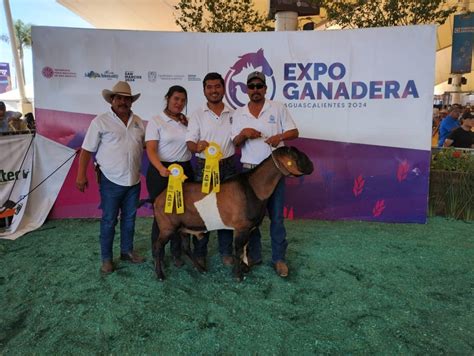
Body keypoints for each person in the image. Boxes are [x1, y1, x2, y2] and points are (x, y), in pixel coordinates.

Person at [231, 71, 299, 278]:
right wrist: (244, 134)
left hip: (274, 172)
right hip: (249, 172)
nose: (255, 90)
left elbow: (294, 132)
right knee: (252, 218)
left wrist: (279, 136)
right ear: (246, 90)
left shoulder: (277, 108)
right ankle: (255, 255)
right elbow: (234, 142)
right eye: (251, 86)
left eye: (259, 86)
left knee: (277, 217)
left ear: (265, 89)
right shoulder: (239, 113)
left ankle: (279, 259)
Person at [76, 81, 145, 274]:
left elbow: (147, 145)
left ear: (132, 101)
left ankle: (126, 251)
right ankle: (106, 259)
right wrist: (81, 175)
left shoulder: (138, 121)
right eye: (119, 98)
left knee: (130, 219)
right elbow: (86, 150)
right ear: (112, 100)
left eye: (127, 99)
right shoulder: (100, 121)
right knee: (108, 220)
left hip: (134, 180)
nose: (123, 101)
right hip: (110, 180)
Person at [186, 72, 236, 267]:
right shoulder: (198, 114)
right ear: (204, 90)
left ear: (223, 88)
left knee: (228, 210)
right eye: (209, 87)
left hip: (229, 166)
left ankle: (226, 252)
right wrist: (196, 146)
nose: (214, 90)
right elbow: (190, 142)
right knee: (203, 211)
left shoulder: (234, 113)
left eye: (217, 86)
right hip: (204, 166)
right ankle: (200, 253)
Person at [145, 85, 194, 267]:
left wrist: (189, 125)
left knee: (181, 213)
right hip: (162, 171)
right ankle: (157, 253)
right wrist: (160, 168)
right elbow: (150, 149)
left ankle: (176, 253)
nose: (179, 103)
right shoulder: (156, 121)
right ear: (168, 98)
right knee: (162, 214)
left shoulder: (186, 121)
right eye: (176, 99)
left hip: (184, 171)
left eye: (182, 100)